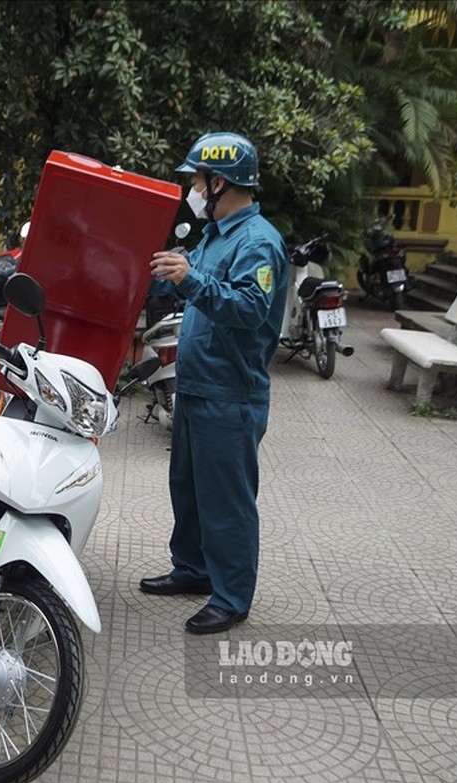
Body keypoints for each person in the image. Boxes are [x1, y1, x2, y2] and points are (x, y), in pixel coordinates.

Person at [139, 132, 288, 635]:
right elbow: (189, 284)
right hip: (197, 384)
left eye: (198, 180)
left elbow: (250, 309)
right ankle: (195, 569)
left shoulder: (258, 241)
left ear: (220, 181)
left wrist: (191, 280)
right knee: (189, 486)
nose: (194, 189)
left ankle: (231, 596)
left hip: (231, 392)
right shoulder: (216, 234)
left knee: (226, 499)